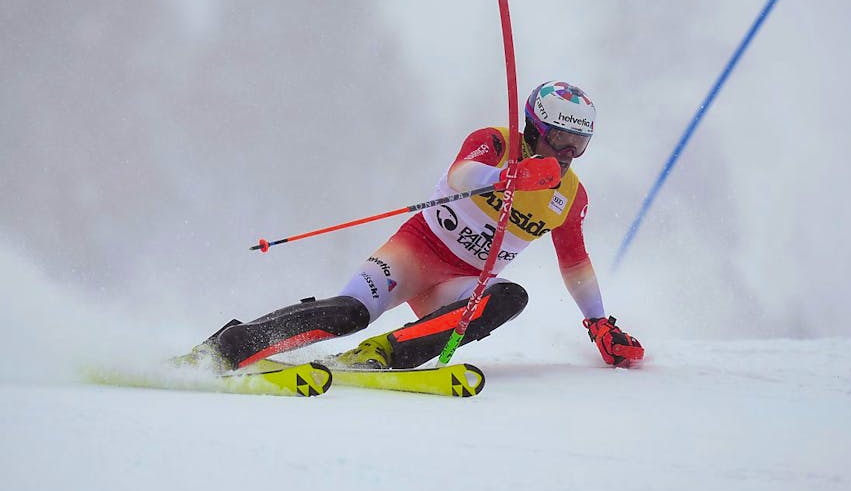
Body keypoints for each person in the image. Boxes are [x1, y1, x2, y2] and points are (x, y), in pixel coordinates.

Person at [182, 81, 644, 371]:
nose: (566, 153)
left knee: (509, 296)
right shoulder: (496, 142)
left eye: (579, 145)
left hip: (462, 282)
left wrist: (599, 324)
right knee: (349, 313)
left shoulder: (571, 196)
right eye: (560, 139)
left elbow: (576, 263)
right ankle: (230, 345)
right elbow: (461, 175)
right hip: (416, 254)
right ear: (533, 128)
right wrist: (506, 177)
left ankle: (382, 354)